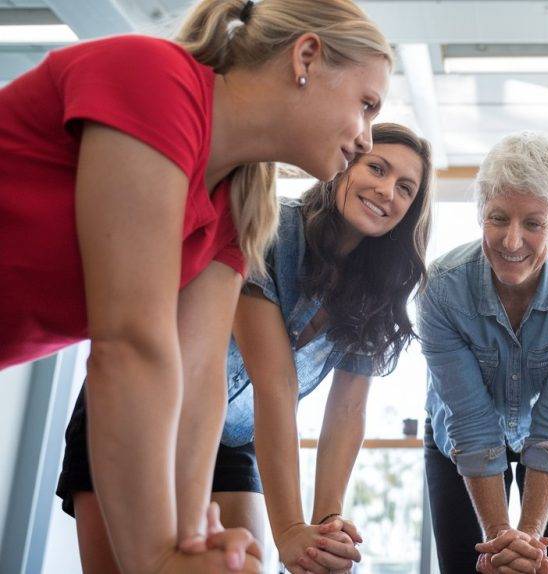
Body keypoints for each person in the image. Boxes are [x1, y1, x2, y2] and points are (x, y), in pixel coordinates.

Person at [0, 0, 392, 570]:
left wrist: (189, 538)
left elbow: (197, 376)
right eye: (366, 104)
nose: (365, 138)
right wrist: (158, 556)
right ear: (306, 57)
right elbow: (131, 345)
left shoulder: (236, 204)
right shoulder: (155, 81)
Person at [57, 123, 434, 574]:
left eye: (405, 188)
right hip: (140, 412)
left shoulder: (376, 291)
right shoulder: (268, 226)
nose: (386, 190)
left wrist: (326, 522)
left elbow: (347, 410)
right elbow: (274, 381)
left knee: (248, 566)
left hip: (230, 440)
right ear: (344, 166)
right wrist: (291, 527)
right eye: (377, 167)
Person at [416, 132, 548, 574]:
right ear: (480, 216)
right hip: (460, 437)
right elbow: (470, 421)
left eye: (533, 223)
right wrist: (500, 543)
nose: (511, 241)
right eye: (498, 218)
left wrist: (528, 542)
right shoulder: (442, 289)